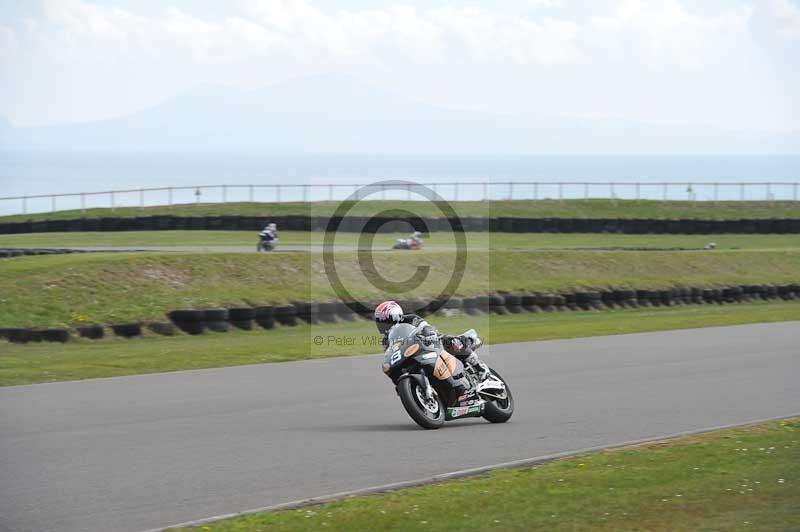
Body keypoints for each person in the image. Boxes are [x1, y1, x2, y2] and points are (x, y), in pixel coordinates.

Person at [374, 300, 490, 380]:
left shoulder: (410, 319)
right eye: (380, 323)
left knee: (451, 342)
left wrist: (429, 334)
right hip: (413, 354)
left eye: (385, 322)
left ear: (395, 316)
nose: (383, 326)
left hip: (430, 342)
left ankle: (479, 366)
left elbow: (425, 326)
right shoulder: (386, 340)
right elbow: (391, 355)